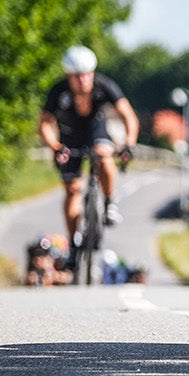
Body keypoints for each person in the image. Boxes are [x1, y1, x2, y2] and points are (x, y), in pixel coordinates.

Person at [38, 45, 139, 241]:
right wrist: (56, 146)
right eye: (77, 76)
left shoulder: (104, 85)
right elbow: (44, 124)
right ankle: (74, 242)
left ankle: (110, 202)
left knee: (104, 155)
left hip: (95, 130)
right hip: (69, 136)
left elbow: (129, 117)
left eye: (87, 75)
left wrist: (129, 143)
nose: (83, 80)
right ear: (68, 75)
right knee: (72, 189)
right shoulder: (58, 91)